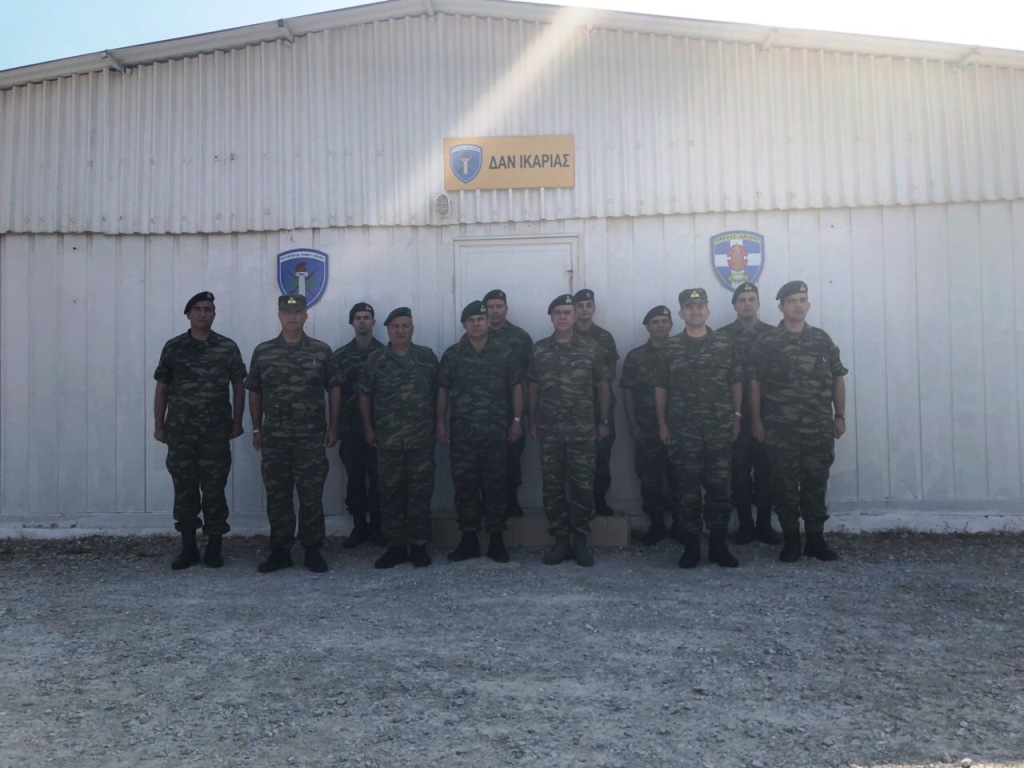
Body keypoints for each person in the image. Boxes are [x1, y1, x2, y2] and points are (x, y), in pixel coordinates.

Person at [749, 281, 848, 562]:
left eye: (802, 300)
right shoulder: (768, 342)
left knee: (816, 483)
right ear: (781, 307)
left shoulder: (822, 340)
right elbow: (755, 382)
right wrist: (756, 420)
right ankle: (791, 540)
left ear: (809, 305)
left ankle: (815, 539)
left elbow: (838, 378)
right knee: (784, 486)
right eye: (792, 301)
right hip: (781, 429)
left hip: (818, 428)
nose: (798, 305)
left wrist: (839, 416)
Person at [246, 294, 340, 574]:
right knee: (278, 496)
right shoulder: (263, 351)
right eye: (287, 313)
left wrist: (333, 426)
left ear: (305, 316)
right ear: (279, 316)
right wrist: (256, 427)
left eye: (297, 312)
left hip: (310, 438)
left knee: (311, 495)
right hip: (274, 438)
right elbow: (255, 391)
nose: (292, 317)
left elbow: (334, 388)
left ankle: (312, 550)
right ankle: (280, 551)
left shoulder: (321, 351)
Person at [153, 291, 246, 570]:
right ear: (188, 314)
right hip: (181, 432)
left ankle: (215, 547)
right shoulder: (174, 347)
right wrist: (159, 425)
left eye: (208, 309)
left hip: (215, 433)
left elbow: (239, 385)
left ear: (214, 314)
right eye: (198, 309)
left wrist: (237, 422)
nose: (203, 313)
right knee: (184, 490)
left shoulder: (227, 347)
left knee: (214, 489)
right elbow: (162, 387)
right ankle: (189, 547)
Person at [655, 288, 743, 569]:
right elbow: (661, 388)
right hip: (683, 430)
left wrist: (737, 417)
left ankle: (718, 545)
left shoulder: (724, 344)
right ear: (681, 313)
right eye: (689, 307)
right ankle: (691, 546)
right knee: (686, 490)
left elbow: (735, 382)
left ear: (708, 310)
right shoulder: (670, 349)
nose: (695, 311)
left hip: (719, 428)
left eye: (700, 306)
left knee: (719, 489)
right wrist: (662, 423)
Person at [436, 301, 524, 563]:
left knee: (496, 485)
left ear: (488, 322)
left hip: (496, 432)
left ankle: (497, 540)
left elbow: (516, 387)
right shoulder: (453, 354)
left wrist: (517, 420)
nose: (476, 324)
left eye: (480, 319)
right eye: (471, 320)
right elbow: (443, 389)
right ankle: (469, 540)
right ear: (464, 324)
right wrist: (440, 421)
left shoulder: (505, 352)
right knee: (465, 487)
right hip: (463, 434)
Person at [528, 294, 610, 566]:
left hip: (582, 429)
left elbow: (603, 386)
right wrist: (532, 420)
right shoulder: (539, 350)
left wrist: (604, 421)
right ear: (551, 318)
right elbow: (533, 386)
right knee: (552, 485)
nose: (563, 317)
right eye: (558, 313)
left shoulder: (591, 348)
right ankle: (561, 539)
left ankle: (581, 538)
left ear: (575, 316)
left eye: (567, 312)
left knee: (583, 485)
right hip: (550, 428)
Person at [359, 307, 440, 569]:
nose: (401, 330)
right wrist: (368, 428)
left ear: (412, 329)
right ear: (388, 330)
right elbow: (365, 394)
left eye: (405, 325)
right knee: (390, 492)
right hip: (388, 439)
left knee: (420, 492)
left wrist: (439, 424)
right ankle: (395, 547)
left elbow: (439, 392)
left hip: (421, 438)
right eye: (396, 326)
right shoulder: (375, 360)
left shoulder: (427, 357)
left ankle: (418, 546)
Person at [716, 282, 781, 545]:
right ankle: (745, 525)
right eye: (741, 300)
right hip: (733, 415)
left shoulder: (773, 335)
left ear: (758, 303)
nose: (746, 304)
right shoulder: (721, 337)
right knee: (739, 471)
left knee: (767, 471)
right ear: (734, 305)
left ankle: (764, 525)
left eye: (751, 299)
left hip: (770, 414)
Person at [620, 305, 675, 546]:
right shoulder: (636, 356)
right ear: (647, 326)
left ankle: (682, 524)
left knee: (680, 477)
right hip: (646, 426)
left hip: (680, 427)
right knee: (649, 476)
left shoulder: (681, 352)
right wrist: (633, 424)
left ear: (671, 324)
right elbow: (628, 393)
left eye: (664, 321)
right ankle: (656, 524)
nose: (660, 325)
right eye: (655, 321)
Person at [332, 301, 385, 549]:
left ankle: (377, 526)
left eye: (366, 317)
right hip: (350, 427)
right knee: (354, 477)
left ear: (373, 322)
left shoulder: (385, 354)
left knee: (378, 477)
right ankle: (359, 525)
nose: (362, 321)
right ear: (352, 323)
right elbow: (334, 392)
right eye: (358, 317)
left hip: (380, 427)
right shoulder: (340, 356)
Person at [483, 288, 533, 517]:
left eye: (499, 306)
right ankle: (488, 504)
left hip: (513, 408)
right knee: (484, 460)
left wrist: (523, 414)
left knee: (512, 457)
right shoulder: (477, 333)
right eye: (490, 307)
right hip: (484, 409)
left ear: (506, 309)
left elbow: (531, 375)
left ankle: (511, 499)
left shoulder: (520, 337)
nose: (495, 311)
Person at [573, 289, 620, 516]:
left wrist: (594, 379)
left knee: (601, 456)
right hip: (573, 406)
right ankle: (578, 502)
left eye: (588, 305)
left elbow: (611, 371)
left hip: (600, 405)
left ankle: (599, 499)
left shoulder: (604, 337)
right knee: (574, 457)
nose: (584, 309)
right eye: (580, 305)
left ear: (593, 308)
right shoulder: (564, 334)